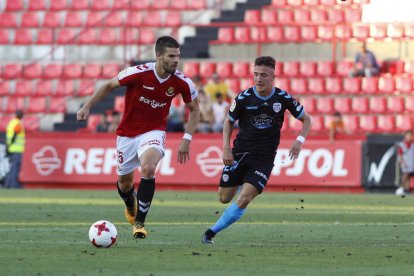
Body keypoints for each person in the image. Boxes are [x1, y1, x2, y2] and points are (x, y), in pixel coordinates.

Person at [77, 36, 200, 239]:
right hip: (127, 134)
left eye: (178, 56)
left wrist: (187, 138)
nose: (176, 60)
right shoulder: (138, 73)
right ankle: (129, 204)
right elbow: (108, 85)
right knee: (125, 184)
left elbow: (194, 109)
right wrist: (87, 105)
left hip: (154, 131)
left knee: (148, 168)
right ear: (158, 56)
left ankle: (140, 223)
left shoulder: (182, 82)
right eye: (171, 56)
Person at [201, 56, 312, 244]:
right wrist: (226, 148)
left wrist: (299, 141)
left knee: (244, 198)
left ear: (273, 77)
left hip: (264, 158)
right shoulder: (243, 98)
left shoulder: (283, 98)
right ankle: (240, 180)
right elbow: (228, 121)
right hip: (240, 152)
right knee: (224, 198)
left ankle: (210, 233)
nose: (258, 79)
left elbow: (307, 119)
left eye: (263, 75)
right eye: (256, 75)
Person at [4, 110, 25, 188]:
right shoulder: (18, 124)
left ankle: (8, 184)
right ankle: (14, 184)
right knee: (15, 167)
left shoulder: (11, 122)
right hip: (16, 149)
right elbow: (15, 135)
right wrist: (11, 144)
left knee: (11, 167)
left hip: (11, 148)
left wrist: (8, 146)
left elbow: (9, 135)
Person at [395, 130, 414, 196]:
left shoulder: (412, 144)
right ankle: (401, 189)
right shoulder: (402, 144)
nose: (409, 137)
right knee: (405, 176)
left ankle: (407, 190)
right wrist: (402, 163)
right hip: (406, 164)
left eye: (410, 135)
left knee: (409, 178)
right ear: (405, 136)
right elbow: (400, 155)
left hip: (412, 163)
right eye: (408, 135)